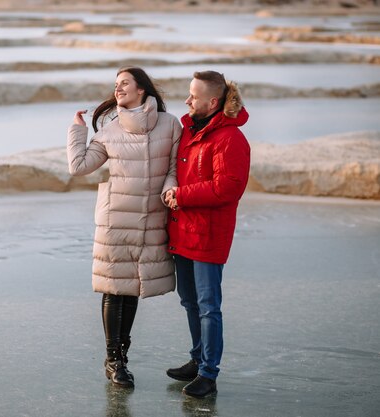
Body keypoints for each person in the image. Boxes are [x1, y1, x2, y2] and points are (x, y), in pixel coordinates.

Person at [67, 67, 182, 388]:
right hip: (116, 218)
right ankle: (115, 361)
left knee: (132, 287)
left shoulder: (169, 124)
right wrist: (77, 131)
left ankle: (120, 356)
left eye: (124, 83)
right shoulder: (109, 131)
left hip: (152, 218)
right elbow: (78, 167)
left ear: (142, 89)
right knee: (114, 288)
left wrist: (169, 189)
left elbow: (174, 167)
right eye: (116, 84)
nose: (118, 89)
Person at [162, 70, 251, 398]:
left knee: (208, 305)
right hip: (183, 229)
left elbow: (227, 188)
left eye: (194, 96)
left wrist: (182, 196)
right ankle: (197, 359)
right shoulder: (189, 130)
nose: (187, 101)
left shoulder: (230, 139)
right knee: (189, 301)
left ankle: (209, 373)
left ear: (212, 102)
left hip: (209, 234)